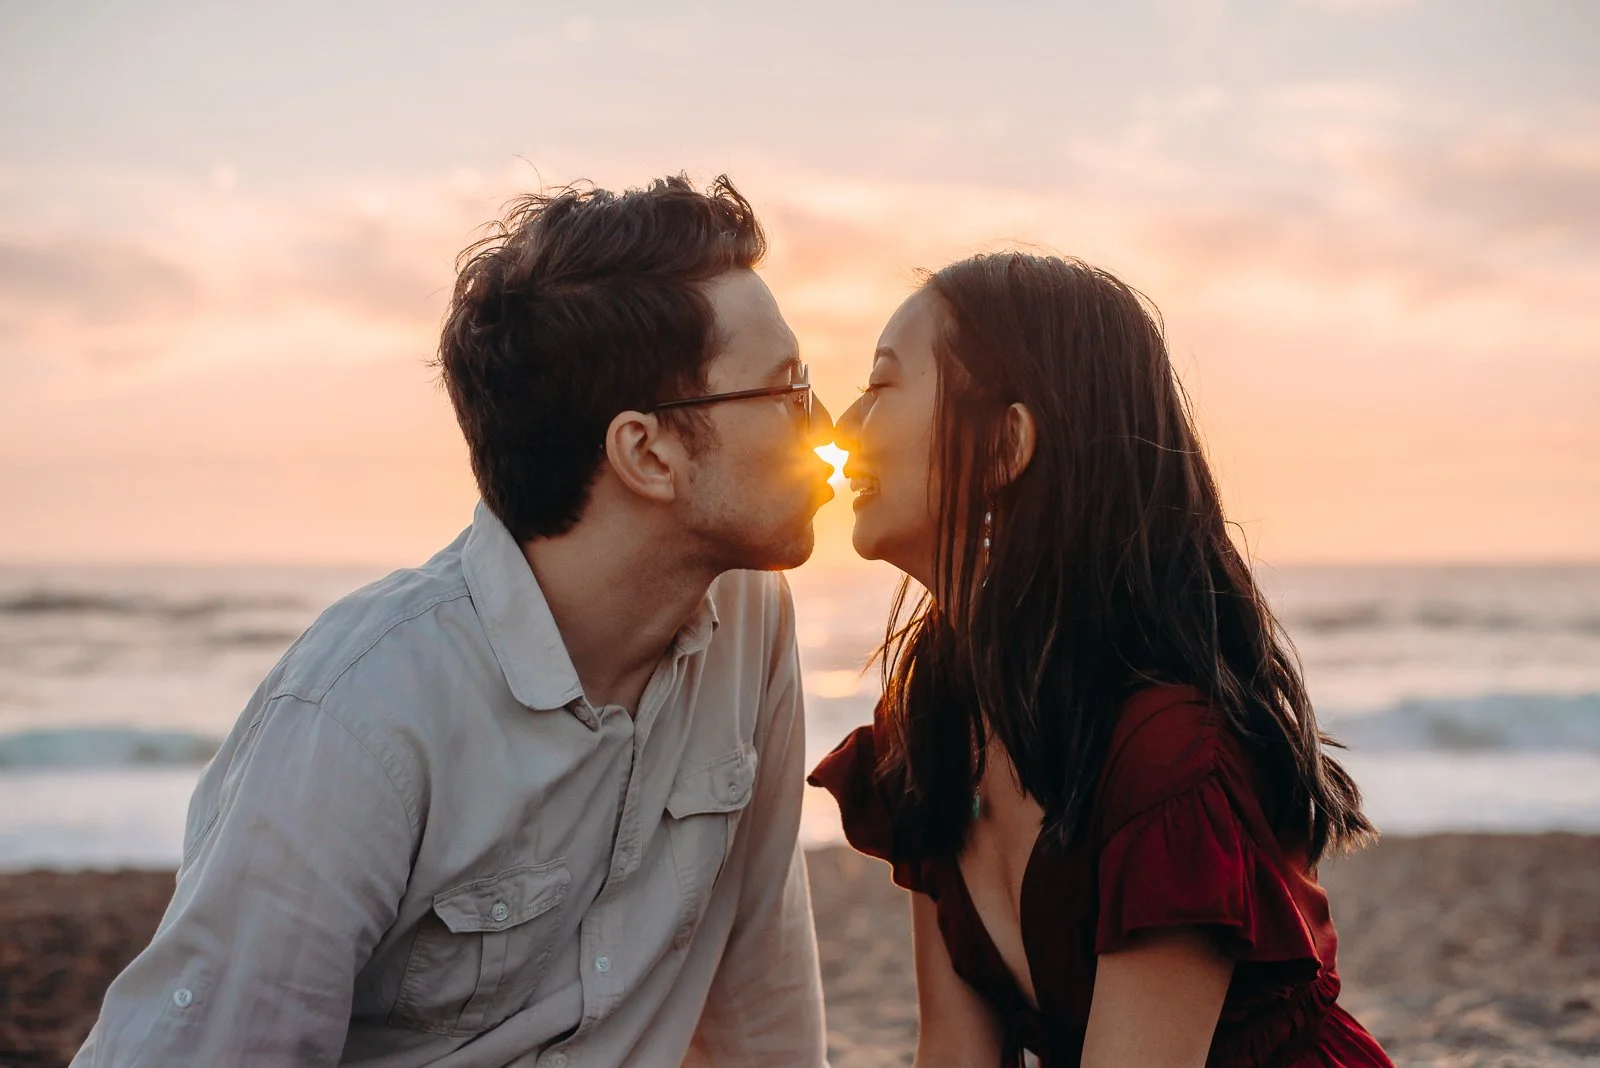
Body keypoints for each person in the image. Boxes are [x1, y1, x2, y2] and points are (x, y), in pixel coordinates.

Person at [74, 175, 834, 1067]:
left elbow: (760, 1000)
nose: (823, 424)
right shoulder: (361, 714)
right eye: (785, 391)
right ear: (647, 452)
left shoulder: (747, 621)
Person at [810, 253, 1392, 1067]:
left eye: (880, 387)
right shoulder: (933, 720)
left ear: (1004, 446)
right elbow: (953, 1053)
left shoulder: (1167, 757)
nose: (841, 425)